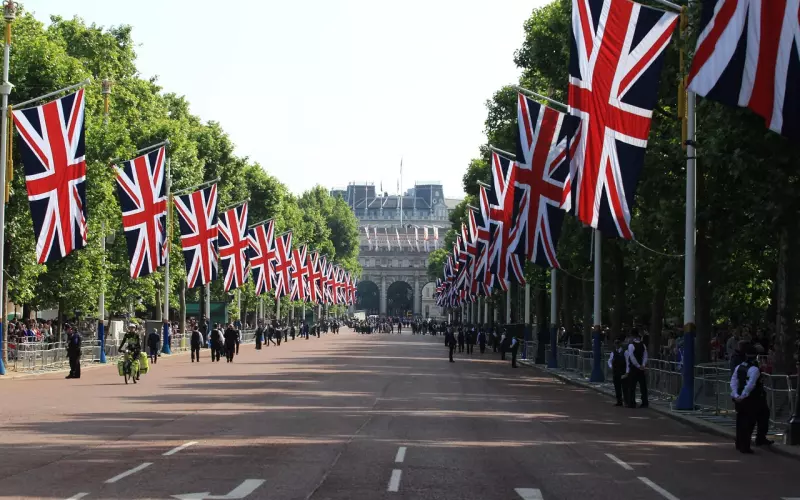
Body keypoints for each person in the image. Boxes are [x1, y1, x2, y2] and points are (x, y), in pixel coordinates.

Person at [731, 345, 773, 453]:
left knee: (742, 420)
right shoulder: (754, 369)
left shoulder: (739, 366)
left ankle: (741, 442)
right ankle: (745, 446)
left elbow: (733, 382)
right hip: (752, 398)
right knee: (749, 422)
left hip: (741, 397)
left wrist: (736, 395)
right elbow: (751, 385)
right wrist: (743, 396)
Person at [627, 330, 649, 408]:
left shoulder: (631, 345)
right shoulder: (643, 345)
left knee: (632, 386)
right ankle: (645, 402)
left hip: (634, 368)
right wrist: (643, 365)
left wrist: (637, 365)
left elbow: (632, 357)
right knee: (643, 386)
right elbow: (645, 355)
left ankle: (632, 402)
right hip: (641, 368)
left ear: (632, 336)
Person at [608, 339, 628, 407]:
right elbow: (609, 361)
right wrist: (611, 366)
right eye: (616, 343)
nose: (617, 345)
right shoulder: (613, 353)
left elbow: (628, 363)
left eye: (618, 343)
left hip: (623, 372)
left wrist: (627, 372)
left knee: (625, 387)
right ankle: (619, 401)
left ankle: (626, 401)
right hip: (616, 372)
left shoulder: (625, 352)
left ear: (620, 344)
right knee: (617, 388)